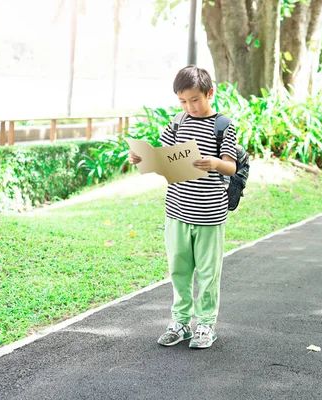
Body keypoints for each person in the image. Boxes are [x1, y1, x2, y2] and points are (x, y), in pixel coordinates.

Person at [128, 65, 237, 349]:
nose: (190, 106)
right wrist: (142, 158)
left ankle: (205, 325)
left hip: (209, 214)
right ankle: (180, 322)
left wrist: (215, 164)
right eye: (183, 101)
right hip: (177, 210)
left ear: (209, 93)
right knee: (178, 269)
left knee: (208, 272)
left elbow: (231, 166)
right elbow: (161, 157)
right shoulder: (178, 122)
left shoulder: (224, 125)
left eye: (195, 100)